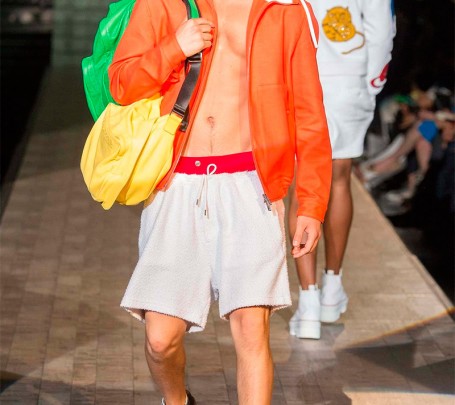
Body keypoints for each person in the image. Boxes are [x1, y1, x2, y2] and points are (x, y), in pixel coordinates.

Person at [108, 0, 332, 403]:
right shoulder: (164, 4)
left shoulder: (285, 10)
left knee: (251, 329)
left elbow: (310, 112)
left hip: (251, 185)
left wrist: (312, 204)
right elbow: (121, 84)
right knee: (160, 340)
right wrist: (173, 48)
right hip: (176, 184)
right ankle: (178, 401)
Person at [288, 0, 395, 340]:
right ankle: (331, 289)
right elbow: (380, 26)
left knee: (302, 182)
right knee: (338, 179)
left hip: (299, 70)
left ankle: (308, 302)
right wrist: (371, 83)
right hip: (349, 76)